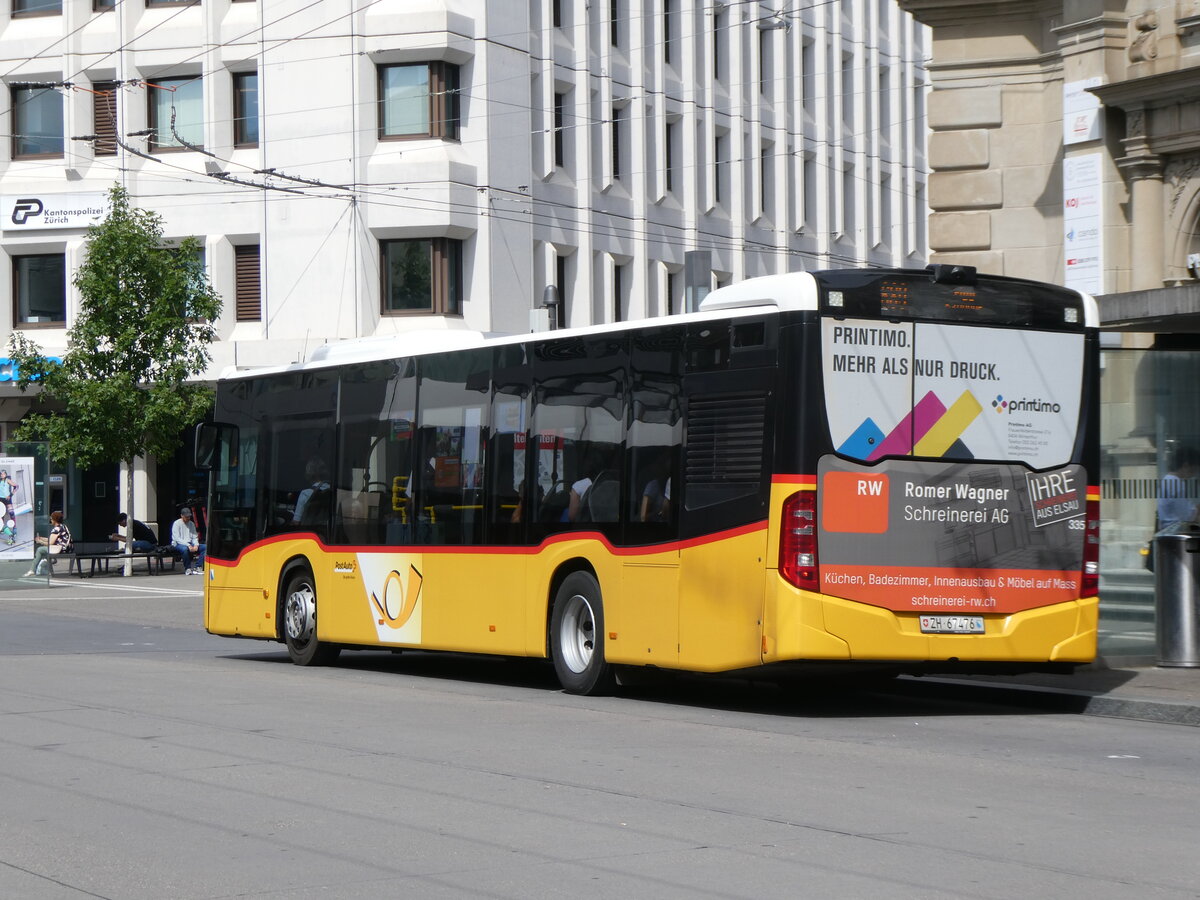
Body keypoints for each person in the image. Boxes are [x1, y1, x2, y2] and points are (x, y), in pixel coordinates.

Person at [1158, 447, 1199, 530]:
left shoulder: (1168, 479)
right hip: (1174, 531)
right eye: (1194, 470)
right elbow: (1187, 516)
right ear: (1186, 466)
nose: (1194, 475)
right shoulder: (1175, 482)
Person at [26, 510, 72, 576]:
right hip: (66, 548)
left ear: (55, 520)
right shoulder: (63, 526)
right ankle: (44, 567)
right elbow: (52, 539)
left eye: (51, 519)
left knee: (40, 550)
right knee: (43, 550)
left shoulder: (56, 529)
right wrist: (42, 538)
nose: (51, 520)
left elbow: (50, 543)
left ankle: (32, 569)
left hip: (60, 549)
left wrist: (40, 541)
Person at [291, 457, 331, 526]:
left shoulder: (305, 493)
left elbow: (296, 522)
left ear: (309, 473)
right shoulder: (332, 490)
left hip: (310, 532)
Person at [172, 506, 206, 575]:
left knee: (205, 547)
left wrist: (196, 544)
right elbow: (177, 538)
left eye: (189, 516)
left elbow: (194, 536)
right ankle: (188, 568)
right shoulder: (176, 523)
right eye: (186, 517)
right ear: (182, 516)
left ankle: (198, 567)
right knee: (185, 549)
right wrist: (188, 545)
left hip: (190, 543)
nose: (188, 518)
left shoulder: (191, 523)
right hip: (178, 544)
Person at [0, 469, 20, 545]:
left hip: (7, 499)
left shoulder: (8, 480)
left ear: (5, 474)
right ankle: (1, 529)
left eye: (3, 474)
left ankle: (14, 529)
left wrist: (10, 495)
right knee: (1, 515)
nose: (2, 475)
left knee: (11, 513)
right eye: (1, 474)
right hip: (0, 499)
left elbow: (17, 486)